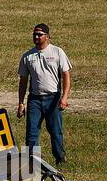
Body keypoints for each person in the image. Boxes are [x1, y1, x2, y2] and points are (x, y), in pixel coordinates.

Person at [17, 23, 71, 166]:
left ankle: (60, 159)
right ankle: (31, 162)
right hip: (34, 99)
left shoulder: (57, 52)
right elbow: (23, 81)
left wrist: (64, 98)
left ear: (47, 36)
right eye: (34, 34)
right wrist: (21, 103)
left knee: (55, 131)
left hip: (53, 98)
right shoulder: (27, 56)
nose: (36, 37)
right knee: (32, 132)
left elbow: (66, 76)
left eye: (39, 34)